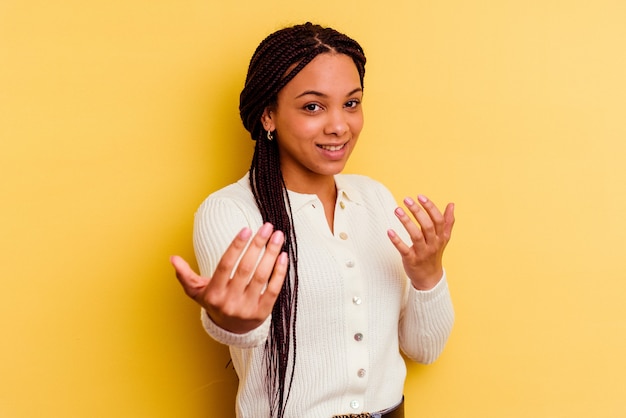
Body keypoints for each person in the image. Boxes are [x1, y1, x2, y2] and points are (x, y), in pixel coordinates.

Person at [170, 22, 455, 418]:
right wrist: (230, 321)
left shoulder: (373, 198)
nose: (339, 125)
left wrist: (428, 276)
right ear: (268, 115)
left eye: (351, 103)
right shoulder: (231, 212)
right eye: (312, 106)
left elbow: (425, 349)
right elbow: (247, 333)